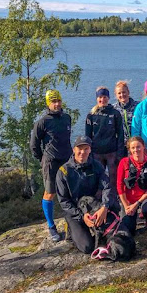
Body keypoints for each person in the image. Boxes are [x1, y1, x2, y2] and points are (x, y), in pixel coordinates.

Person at [56, 136, 115, 254]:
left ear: (90, 150)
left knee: (112, 232)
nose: (82, 152)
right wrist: (81, 215)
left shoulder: (96, 165)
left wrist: (104, 207)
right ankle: (71, 229)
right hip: (75, 212)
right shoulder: (63, 171)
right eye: (79, 148)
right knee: (87, 247)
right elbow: (64, 201)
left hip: (94, 207)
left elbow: (107, 187)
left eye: (86, 149)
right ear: (74, 149)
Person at [30, 89, 72, 242]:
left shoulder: (67, 118)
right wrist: (43, 160)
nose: (57, 104)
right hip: (51, 162)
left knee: (70, 191)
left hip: (67, 160)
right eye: (53, 101)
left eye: (58, 101)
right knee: (50, 193)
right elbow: (34, 145)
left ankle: (72, 222)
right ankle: (51, 226)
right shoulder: (42, 122)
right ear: (48, 103)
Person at [85, 86, 124, 194]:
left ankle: (114, 199)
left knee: (113, 179)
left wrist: (120, 153)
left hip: (111, 152)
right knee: (98, 179)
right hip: (96, 152)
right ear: (97, 98)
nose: (102, 99)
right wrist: (89, 154)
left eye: (105, 97)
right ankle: (99, 200)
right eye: (100, 97)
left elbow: (120, 134)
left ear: (108, 98)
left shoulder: (115, 113)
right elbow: (87, 136)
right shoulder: (91, 115)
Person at [116, 136, 147, 235]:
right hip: (128, 200)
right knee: (128, 229)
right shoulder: (124, 162)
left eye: (138, 147)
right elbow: (119, 185)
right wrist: (126, 206)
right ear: (129, 150)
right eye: (133, 148)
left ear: (143, 147)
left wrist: (136, 204)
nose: (136, 150)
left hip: (144, 198)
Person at [114, 81, 139, 152]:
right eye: (119, 93)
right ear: (116, 95)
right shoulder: (114, 109)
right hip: (121, 145)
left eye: (124, 92)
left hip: (137, 143)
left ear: (128, 92)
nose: (122, 95)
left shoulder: (138, 106)